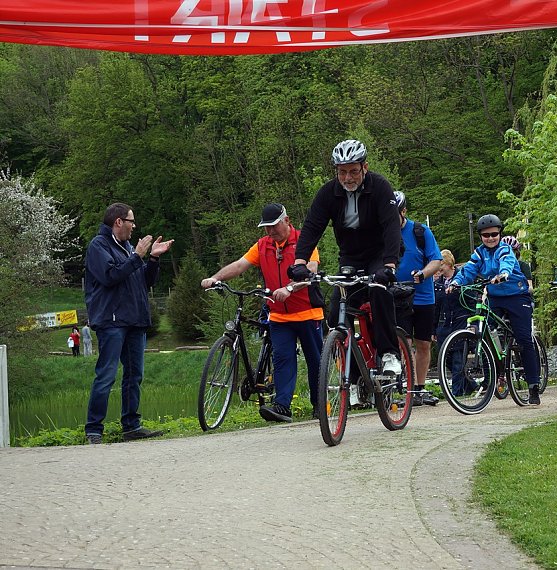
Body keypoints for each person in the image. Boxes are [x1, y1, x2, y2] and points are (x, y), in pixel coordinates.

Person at [201, 203, 325, 422]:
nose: (270, 231)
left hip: (307, 312)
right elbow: (240, 265)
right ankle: (282, 406)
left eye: (273, 226)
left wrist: (289, 288)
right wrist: (216, 278)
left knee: (316, 362)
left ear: (287, 221)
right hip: (278, 316)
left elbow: (311, 271)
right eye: (266, 227)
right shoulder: (263, 246)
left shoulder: (304, 241)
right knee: (282, 360)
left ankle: (320, 406)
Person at [289, 139, 402, 377]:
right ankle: (352, 375)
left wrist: (390, 265)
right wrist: (300, 261)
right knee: (336, 311)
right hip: (350, 255)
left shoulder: (380, 187)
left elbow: (392, 226)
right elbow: (312, 227)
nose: (348, 178)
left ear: (365, 167)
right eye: (342, 172)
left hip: (380, 252)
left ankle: (390, 354)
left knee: (379, 290)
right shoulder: (329, 192)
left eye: (353, 171)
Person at [84, 202, 173, 444]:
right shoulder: (98, 246)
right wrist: (137, 256)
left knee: (134, 375)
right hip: (111, 322)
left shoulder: (126, 248)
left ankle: (131, 426)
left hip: (134, 321)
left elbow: (143, 282)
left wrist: (152, 259)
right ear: (118, 222)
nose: (134, 227)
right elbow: (110, 276)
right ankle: (94, 429)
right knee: (106, 375)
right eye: (132, 221)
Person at [449, 214, 542, 405]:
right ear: (481, 237)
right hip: (495, 298)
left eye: (494, 234)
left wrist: (504, 274)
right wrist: (456, 282)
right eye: (486, 235)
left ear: (499, 233)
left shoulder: (505, 249)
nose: (490, 238)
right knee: (483, 329)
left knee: (524, 339)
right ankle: (494, 371)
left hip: (517, 296)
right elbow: (469, 270)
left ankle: (533, 385)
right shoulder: (479, 253)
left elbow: (506, 262)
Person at [392, 191, 443, 406]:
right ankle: (409, 389)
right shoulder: (384, 232)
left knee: (423, 344)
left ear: (403, 212)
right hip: (397, 296)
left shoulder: (420, 231)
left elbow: (437, 260)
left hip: (422, 296)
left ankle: (419, 388)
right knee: (404, 342)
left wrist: (423, 274)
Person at [434, 249, 475, 395]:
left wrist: (472, 323)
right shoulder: (438, 284)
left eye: (441, 264)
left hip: (460, 323)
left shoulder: (463, 279)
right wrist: (433, 329)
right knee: (446, 359)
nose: (439, 268)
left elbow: (471, 301)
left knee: (458, 360)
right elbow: (436, 307)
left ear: (448, 264)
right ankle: (471, 385)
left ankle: (456, 393)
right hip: (444, 326)